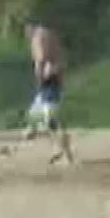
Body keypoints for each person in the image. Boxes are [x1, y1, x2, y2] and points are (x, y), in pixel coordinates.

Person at [23, 19, 74, 165]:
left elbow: (41, 59)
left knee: (52, 121)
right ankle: (56, 147)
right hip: (53, 80)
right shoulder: (48, 34)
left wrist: (39, 79)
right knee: (34, 115)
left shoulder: (38, 37)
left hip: (49, 81)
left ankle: (66, 154)